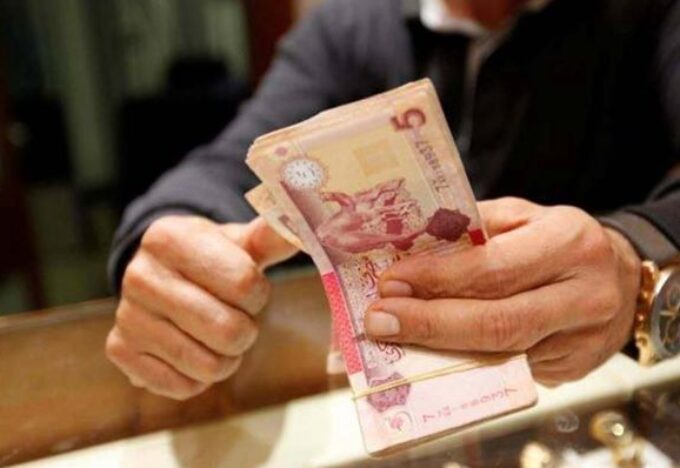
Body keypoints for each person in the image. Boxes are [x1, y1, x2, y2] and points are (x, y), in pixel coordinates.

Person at [105, 0, 680, 400]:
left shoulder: (650, 12)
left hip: (605, 397)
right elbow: (226, 167)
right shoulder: (348, 26)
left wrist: (632, 256)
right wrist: (168, 248)